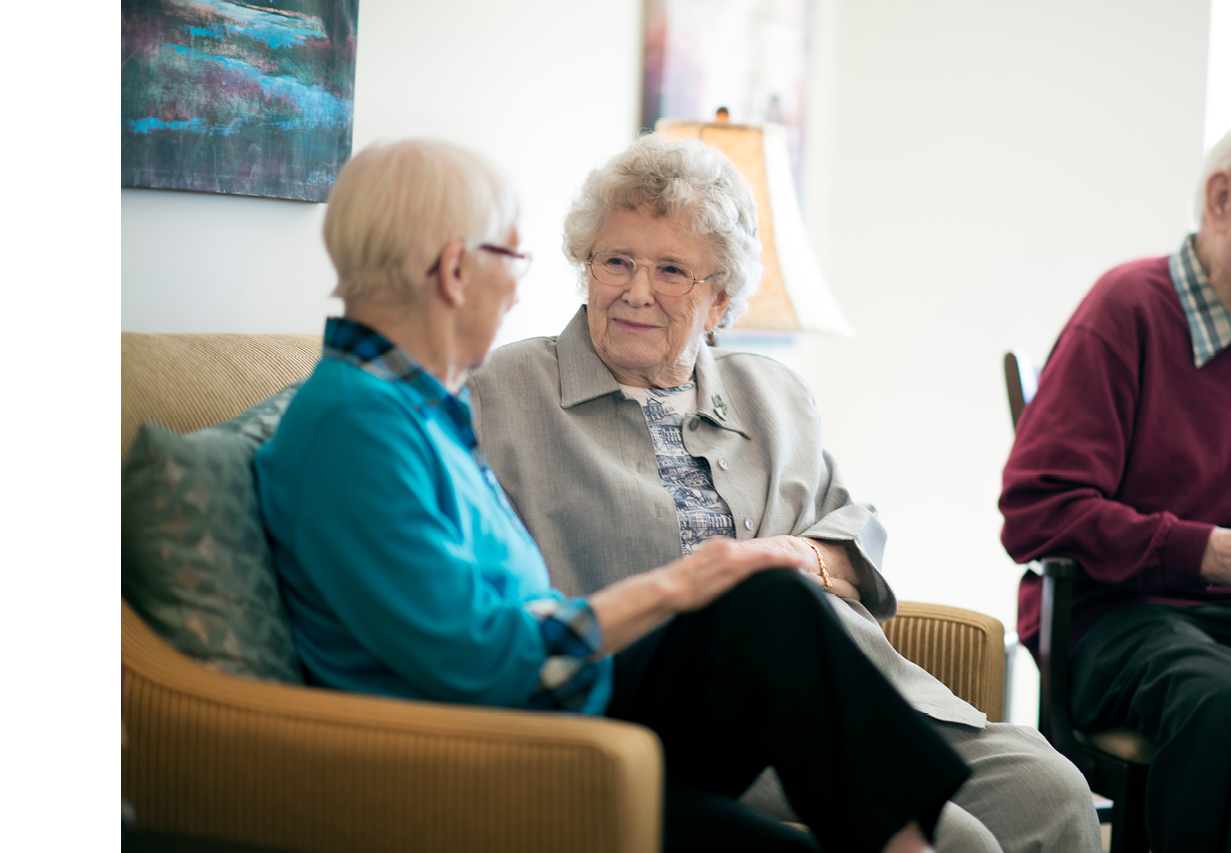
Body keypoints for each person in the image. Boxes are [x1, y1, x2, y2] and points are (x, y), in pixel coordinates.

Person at [254, 139, 972, 853]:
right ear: (453, 271)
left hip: (558, 717)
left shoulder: (416, 410)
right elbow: (480, 659)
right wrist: (679, 583)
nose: (519, 290)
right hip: (493, 763)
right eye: (512, 258)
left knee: (766, 604)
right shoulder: (361, 425)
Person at [467, 133, 1101, 853]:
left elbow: (854, 527)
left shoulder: (771, 392)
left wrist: (799, 556)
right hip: (695, 716)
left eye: (672, 269)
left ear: (722, 299)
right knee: (955, 837)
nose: (636, 292)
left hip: (848, 687)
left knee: (1052, 789)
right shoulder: (505, 392)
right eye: (616, 261)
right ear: (585, 267)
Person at [999, 131, 1231, 852]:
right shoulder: (1127, 308)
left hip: (1214, 623)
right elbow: (1037, 510)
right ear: (1223, 200)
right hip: (1111, 617)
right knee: (1223, 703)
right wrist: (1207, 553)